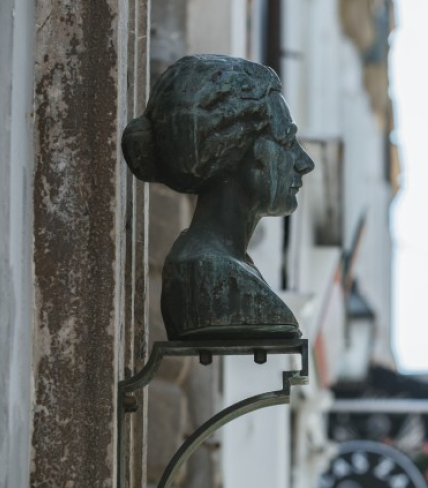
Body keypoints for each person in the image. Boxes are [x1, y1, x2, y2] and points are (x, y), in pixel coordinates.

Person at [122, 54, 314, 340]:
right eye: (286, 140)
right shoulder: (209, 271)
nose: (304, 162)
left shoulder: (227, 270)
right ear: (236, 151)